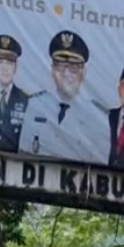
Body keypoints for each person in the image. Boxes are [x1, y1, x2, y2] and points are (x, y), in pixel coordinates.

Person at [17, 30, 108, 163]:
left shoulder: (97, 115)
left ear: (83, 72)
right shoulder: (34, 105)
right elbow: (22, 153)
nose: (66, 73)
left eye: (73, 67)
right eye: (60, 65)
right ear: (52, 70)